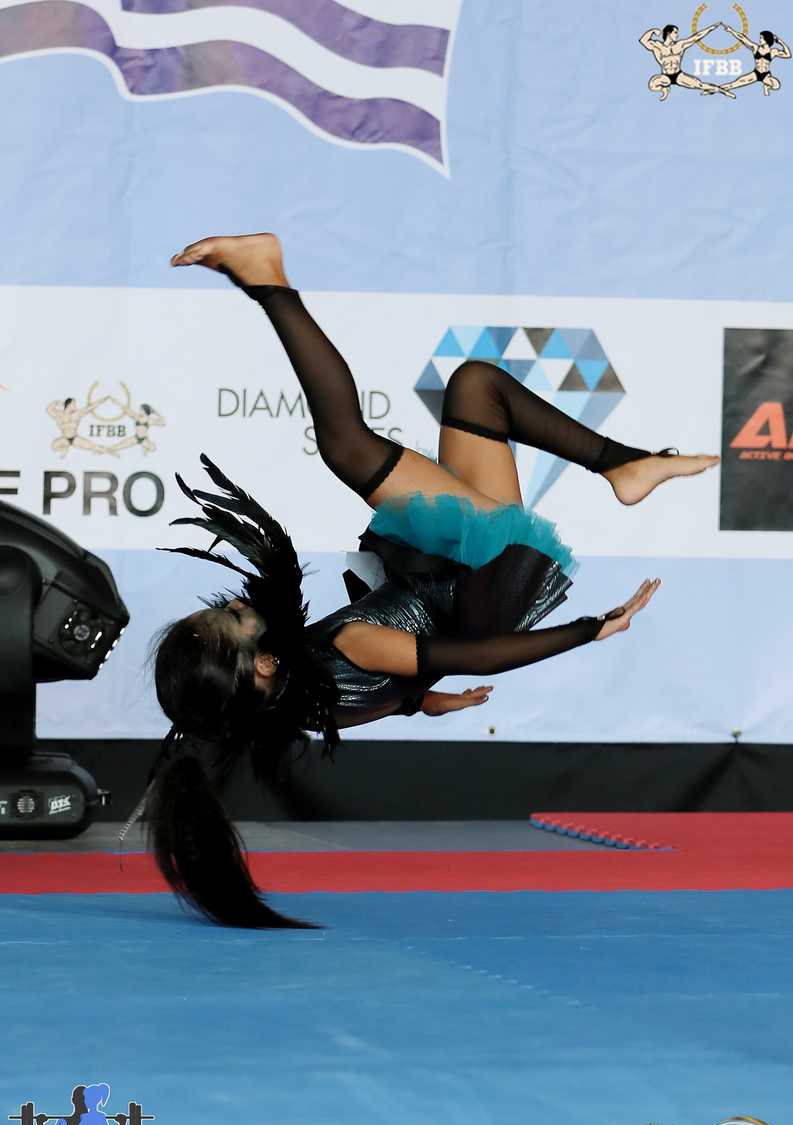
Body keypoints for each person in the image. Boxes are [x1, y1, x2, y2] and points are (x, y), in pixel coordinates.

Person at [134, 232, 719, 930]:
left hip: (445, 574)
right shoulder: (348, 644)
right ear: (260, 664)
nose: (236, 600)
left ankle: (623, 466)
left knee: (477, 388)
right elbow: (478, 656)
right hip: (478, 573)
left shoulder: (300, 704)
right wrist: (589, 629)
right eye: (231, 618)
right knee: (346, 444)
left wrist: (419, 705)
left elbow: (370, 702)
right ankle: (267, 282)